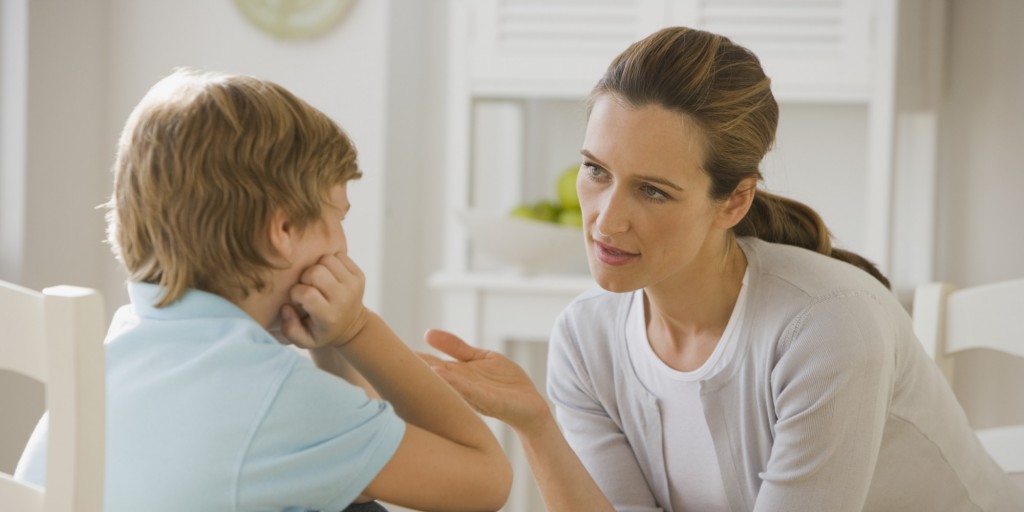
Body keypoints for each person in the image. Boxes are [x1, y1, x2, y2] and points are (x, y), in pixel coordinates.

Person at [421, 26, 1024, 512]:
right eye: (596, 171)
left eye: (653, 192)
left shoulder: (826, 327)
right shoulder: (586, 338)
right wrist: (536, 425)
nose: (606, 220)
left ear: (734, 201)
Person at [15, 69, 511, 512]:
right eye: (339, 216)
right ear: (284, 230)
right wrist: (357, 329)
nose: (342, 244)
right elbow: (486, 481)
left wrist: (329, 346)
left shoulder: (119, 350)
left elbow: (350, 465)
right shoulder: (278, 400)